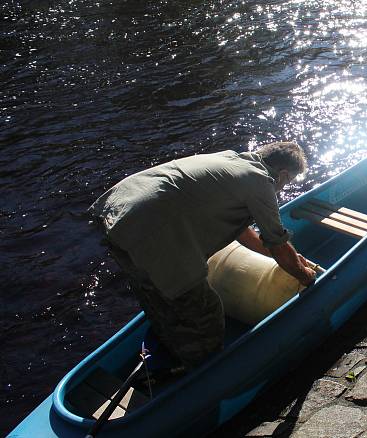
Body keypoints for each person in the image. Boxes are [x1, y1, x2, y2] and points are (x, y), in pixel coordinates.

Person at [90, 142, 317, 369]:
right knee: (205, 312)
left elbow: (244, 234)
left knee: (157, 297)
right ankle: (203, 371)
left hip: (116, 216)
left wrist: (293, 260)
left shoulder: (232, 160)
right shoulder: (260, 182)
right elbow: (277, 244)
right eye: (289, 181)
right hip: (149, 231)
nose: (285, 187)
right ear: (284, 173)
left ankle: (170, 353)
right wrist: (304, 276)